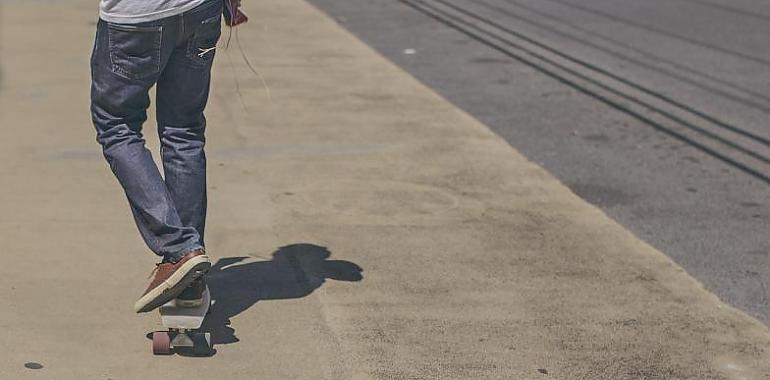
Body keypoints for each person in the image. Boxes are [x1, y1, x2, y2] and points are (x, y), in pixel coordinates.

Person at [90, 0, 224, 313]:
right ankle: (189, 279)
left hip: (137, 18)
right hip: (200, 11)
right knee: (184, 131)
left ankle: (180, 250)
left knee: (116, 127)